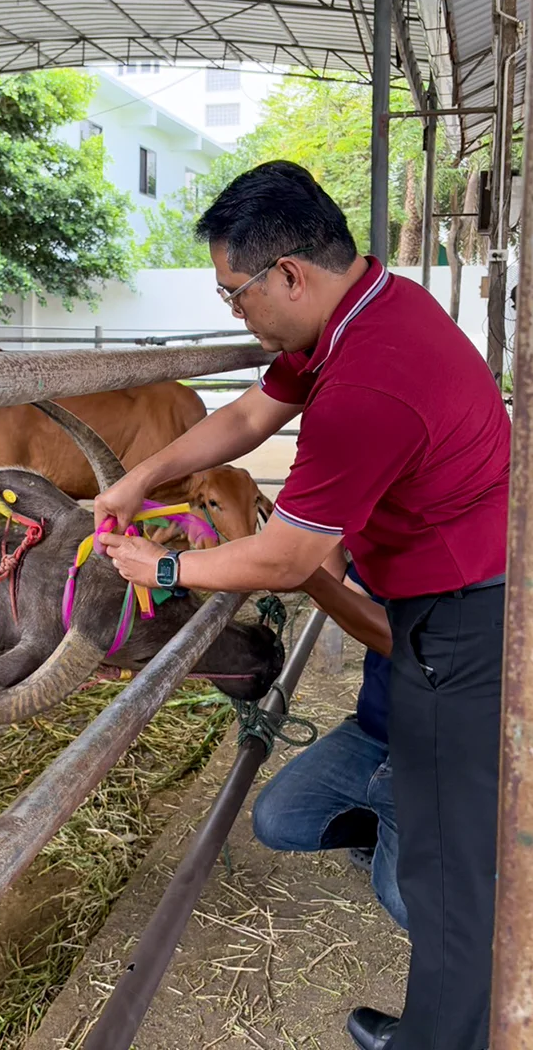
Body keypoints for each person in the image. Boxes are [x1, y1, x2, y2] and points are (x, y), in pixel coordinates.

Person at [94, 161, 509, 1050]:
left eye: (234, 296)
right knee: (439, 851)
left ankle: (443, 1041)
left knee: (443, 875)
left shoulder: (369, 382)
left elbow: (286, 558)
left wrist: (162, 573)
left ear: (289, 274)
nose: (235, 315)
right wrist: (140, 474)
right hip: (446, 591)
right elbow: (248, 415)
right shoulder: (361, 312)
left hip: (459, 615)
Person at [252, 549, 407, 931]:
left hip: (440, 751)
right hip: (373, 728)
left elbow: (402, 641)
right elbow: (346, 590)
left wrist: (296, 568)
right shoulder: (397, 538)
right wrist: (331, 540)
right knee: (275, 818)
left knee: (406, 904)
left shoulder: (488, 566)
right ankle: (383, 829)